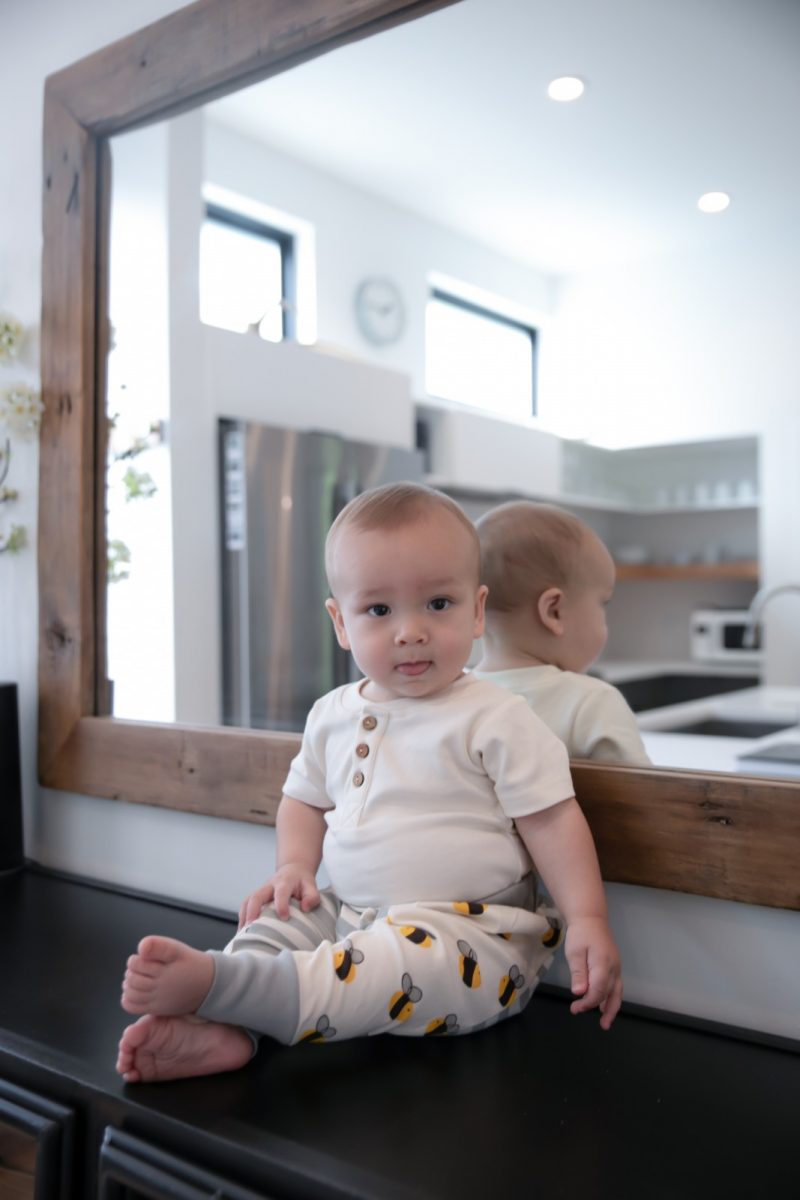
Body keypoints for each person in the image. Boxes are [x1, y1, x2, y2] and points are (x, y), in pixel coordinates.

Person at [117, 483, 622, 1083]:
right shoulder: (331, 714)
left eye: (438, 604)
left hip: (470, 938)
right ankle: (233, 1026)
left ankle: (226, 988)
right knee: (278, 923)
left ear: (478, 610)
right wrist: (294, 868)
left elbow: (553, 818)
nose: (410, 631)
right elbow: (303, 800)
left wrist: (587, 918)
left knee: (389, 965)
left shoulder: (497, 717)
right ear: (341, 621)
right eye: (379, 611)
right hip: (348, 910)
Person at [473, 500, 650, 766]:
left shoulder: (455, 698)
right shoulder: (592, 704)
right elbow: (645, 800)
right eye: (603, 603)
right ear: (554, 611)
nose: (604, 618)